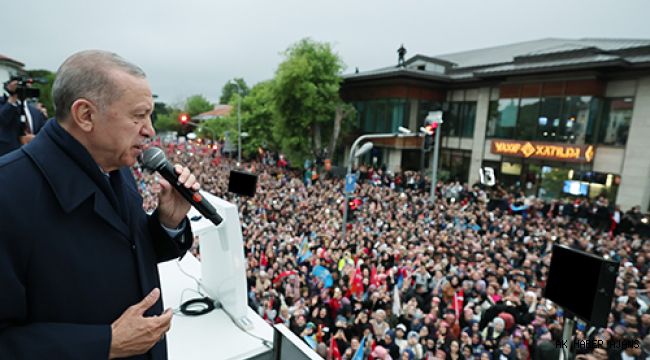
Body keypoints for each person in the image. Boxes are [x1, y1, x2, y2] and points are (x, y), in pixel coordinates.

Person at [0, 50, 201, 359]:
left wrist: (167, 223)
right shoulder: (8, 192)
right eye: (138, 116)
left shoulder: (115, 166)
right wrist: (104, 343)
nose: (150, 130)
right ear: (86, 115)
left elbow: (122, 253)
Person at [0, 76, 47, 156]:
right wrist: (13, 97)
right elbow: (2, 120)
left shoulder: (35, 111)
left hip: (32, 156)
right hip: (8, 157)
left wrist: (34, 139)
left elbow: (44, 133)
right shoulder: (4, 104)